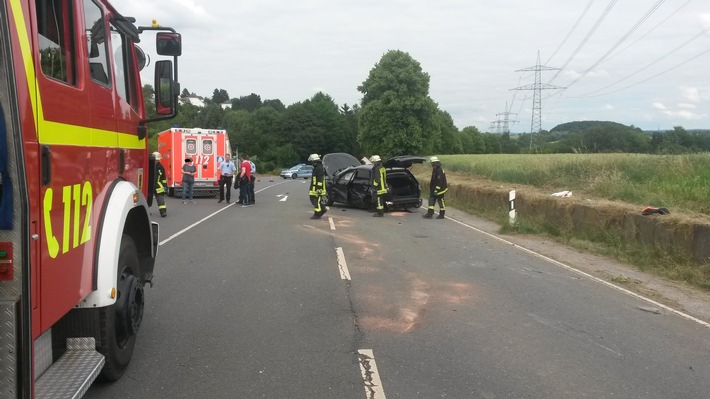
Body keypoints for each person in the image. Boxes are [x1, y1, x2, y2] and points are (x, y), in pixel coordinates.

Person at [307, 153, 327, 219]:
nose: (311, 163)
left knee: (316, 201)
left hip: (317, 189)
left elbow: (320, 179)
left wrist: (318, 188)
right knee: (314, 200)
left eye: (312, 162)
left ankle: (317, 214)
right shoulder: (317, 167)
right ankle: (323, 209)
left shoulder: (319, 168)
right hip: (314, 188)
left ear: (314, 161)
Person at [152, 152, 168, 217]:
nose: (157, 161)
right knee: (146, 200)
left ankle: (163, 212)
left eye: (158, 160)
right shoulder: (149, 166)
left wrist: (165, 186)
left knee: (161, 200)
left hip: (158, 186)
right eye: (156, 160)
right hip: (150, 186)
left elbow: (163, 177)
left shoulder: (161, 167)